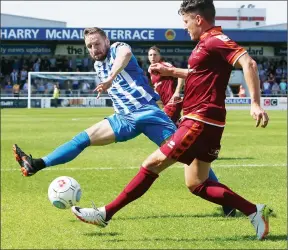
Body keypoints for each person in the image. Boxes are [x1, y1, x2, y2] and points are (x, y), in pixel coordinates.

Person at [71, 0, 271, 240]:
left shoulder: (215, 40)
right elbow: (202, 75)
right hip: (209, 121)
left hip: (200, 118)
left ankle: (105, 213)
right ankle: (254, 211)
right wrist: (172, 72)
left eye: (186, 22)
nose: (185, 27)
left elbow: (249, 63)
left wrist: (255, 103)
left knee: (152, 164)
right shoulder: (204, 45)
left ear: (198, 19)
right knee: (197, 183)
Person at [12, 27, 223, 206]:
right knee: (82, 139)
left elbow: (125, 56)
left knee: (190, 158)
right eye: (89, 47)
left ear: (106, 40)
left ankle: (225, 201)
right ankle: (37, 164)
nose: (94, 49)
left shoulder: (118, 48)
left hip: (148, 113)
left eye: (97, 44)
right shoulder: (96, 65)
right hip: (123, 118)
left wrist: (111, 78)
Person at [148, 46, 184, 125]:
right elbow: (157, 86)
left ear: (159, 56)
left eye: (155, 54)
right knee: (175, 127)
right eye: (150, 55)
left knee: (161, 123)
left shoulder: (164, 65)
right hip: (165, 103)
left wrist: (177, 92)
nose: (152, 57)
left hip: (173, 101)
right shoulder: (151, 70)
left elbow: (181, 75)